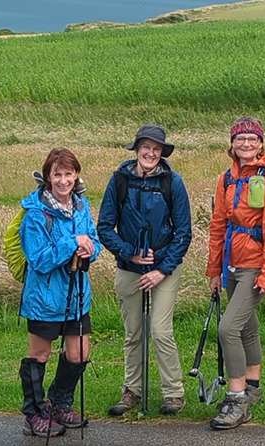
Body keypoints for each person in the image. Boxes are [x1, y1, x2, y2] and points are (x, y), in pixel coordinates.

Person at [97, 124, 192, 416]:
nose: (151, 153)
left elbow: (183, 233)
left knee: (161, 330)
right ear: (137, 149)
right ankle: (132, 391)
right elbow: (104, 226)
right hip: (129, 267)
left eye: (156, 148)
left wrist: (161, 269)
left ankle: (174, 393)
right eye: (146, 147)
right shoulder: (120, 180)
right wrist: (128, 253)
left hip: (164, 267)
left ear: (162, 152)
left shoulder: (172, 183)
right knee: (133, 332)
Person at [205, 116, 265, 429]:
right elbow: (218, 225)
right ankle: (253, 387)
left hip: (255, 264)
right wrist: (215, 271)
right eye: (241, 139)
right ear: (232, 144)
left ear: (262, 143)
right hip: (232, 264)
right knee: (247, 328)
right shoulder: (226, 178)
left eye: (252, 139)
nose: (246, 144)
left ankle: (237, 399)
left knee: (228, 329)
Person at [18, 148, 101, 437]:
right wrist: (72, 243)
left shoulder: (81, 206)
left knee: (79, 353)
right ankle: (34, 412)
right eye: (57, 174)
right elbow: (38, 260)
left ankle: (59, 403)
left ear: (76, 175)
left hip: (77, 295)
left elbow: (93, 240)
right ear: (48, 177)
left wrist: (90, 248)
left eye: (68, 174)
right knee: (40, 354)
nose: (63, 180)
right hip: (44, 297)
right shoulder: (35, 215)